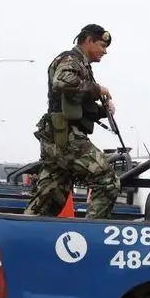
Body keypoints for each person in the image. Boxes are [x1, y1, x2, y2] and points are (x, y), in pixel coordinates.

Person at [24, 24, 120, 219]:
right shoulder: (71, 59)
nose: (105, 51)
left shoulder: (81, 64)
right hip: (66, 136)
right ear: (88, 41)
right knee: (107, 179)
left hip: (60, 135)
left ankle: (21, 233)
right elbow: (63, 82)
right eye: (102, 45)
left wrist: (103, 111)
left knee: (50, 197)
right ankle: (92, 234)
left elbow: (77, 105)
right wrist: (98, 89)